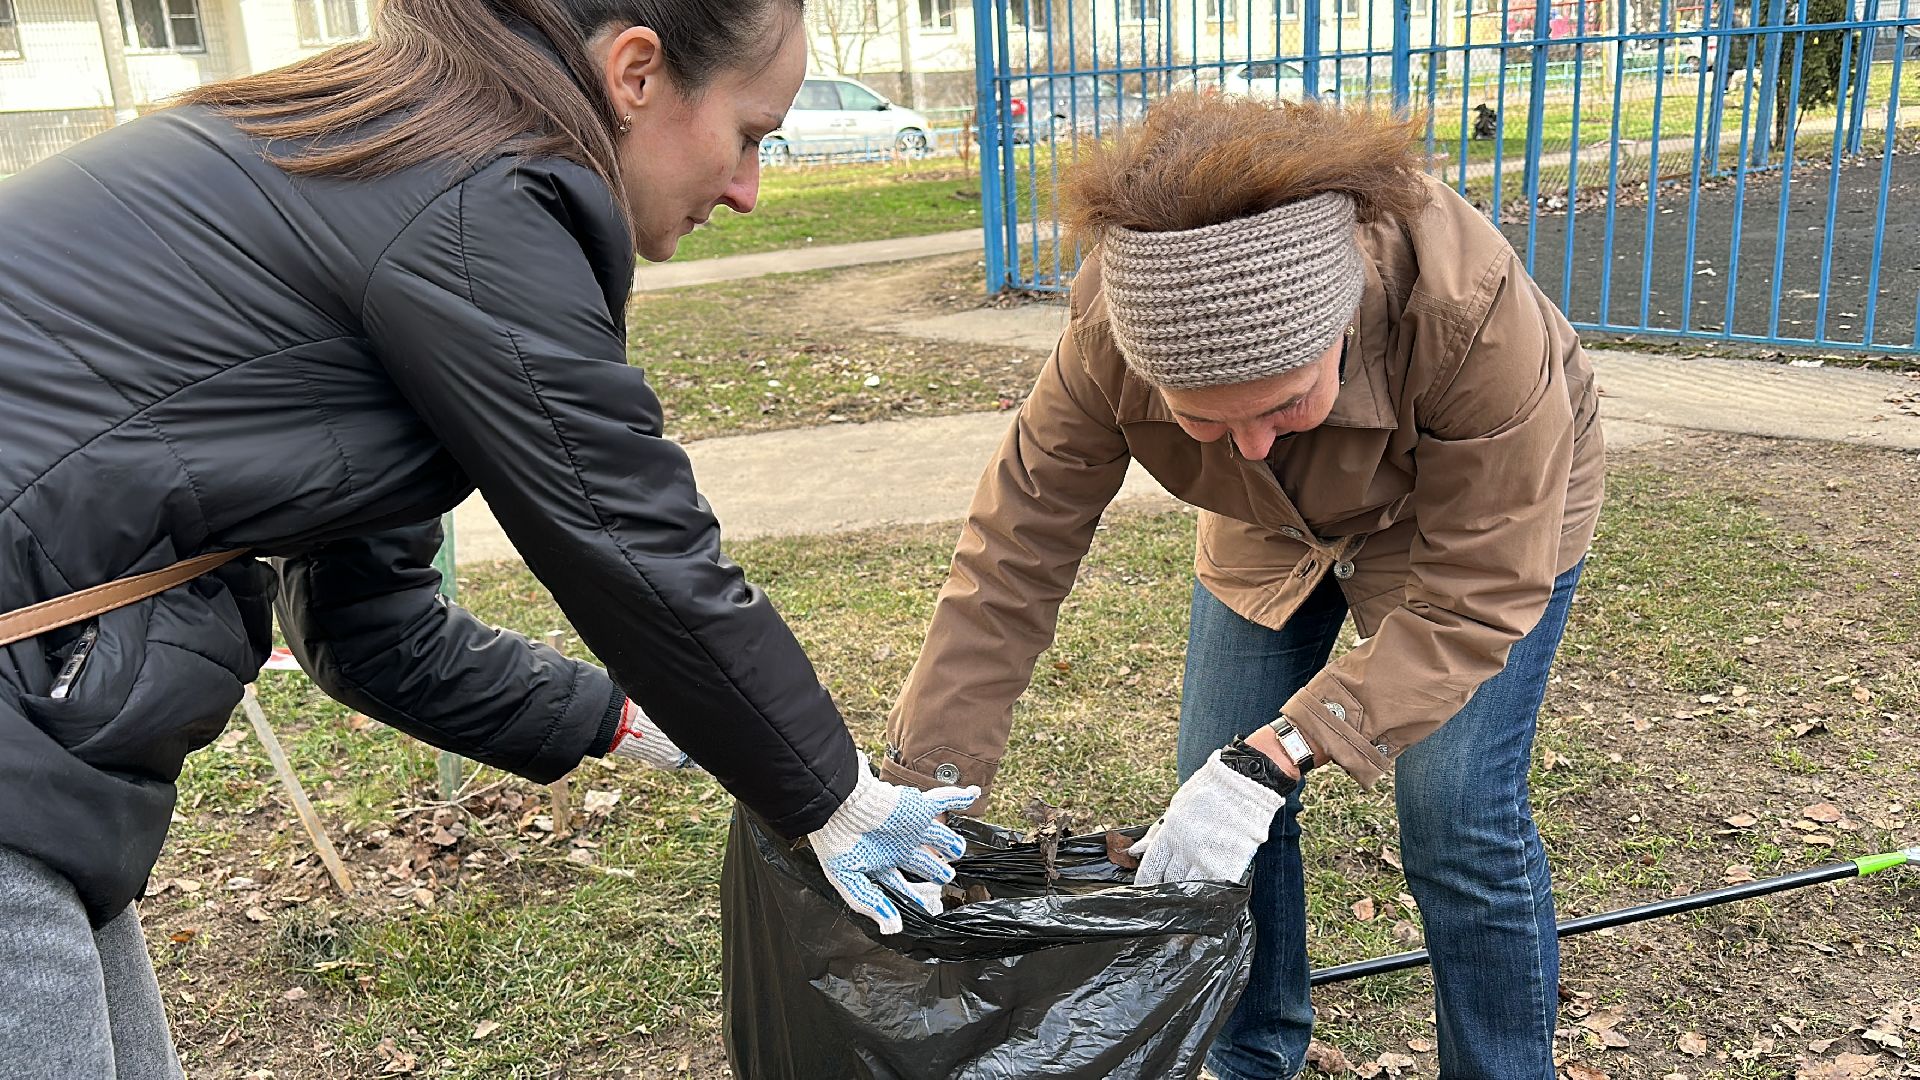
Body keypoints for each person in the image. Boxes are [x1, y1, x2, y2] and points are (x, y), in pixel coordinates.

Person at [0, 0, 978, 1074]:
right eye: (751, 133)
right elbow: (630, 535)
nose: (750, 189)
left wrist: (627, 719)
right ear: (638, 74)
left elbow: (368, 622)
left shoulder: (404, 165)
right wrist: (828, 793)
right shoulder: (479, 194)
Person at [882, 96, 1604, 1080]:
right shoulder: (1111, 333)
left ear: (1344, 317)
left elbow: (1479, 589)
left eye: (1283, 402)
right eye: (1203, 421)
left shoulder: (1468, 310)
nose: (1254, 442)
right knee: (1208, 798)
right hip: (1268, 527)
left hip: (1466, 528)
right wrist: (924, 782)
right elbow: (1013, 557)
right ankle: (1247, 1057)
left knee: (1455, 811)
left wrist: (1287, 747)